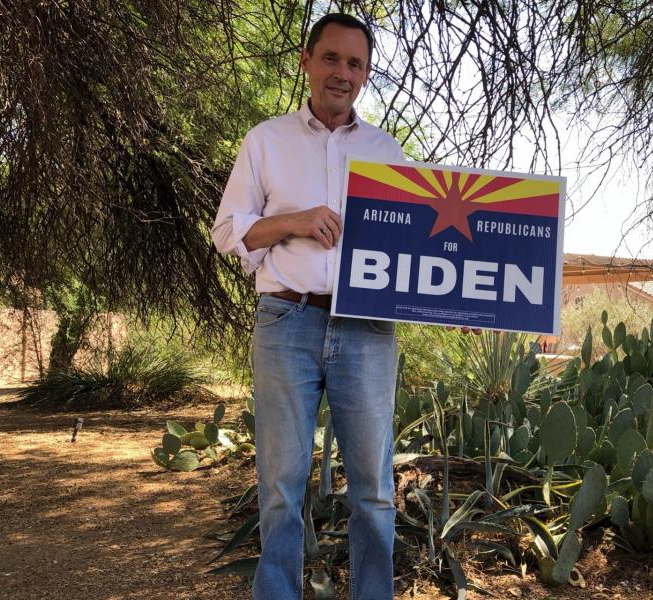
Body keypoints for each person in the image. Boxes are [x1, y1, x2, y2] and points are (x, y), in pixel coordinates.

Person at [211, 13, 404, 600]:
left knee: (372, 486)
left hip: (367, 329)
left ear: (365, 75)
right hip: (286, 321)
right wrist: (295, 221)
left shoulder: (386, 150)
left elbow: (416, 247)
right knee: (280, 484)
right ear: (306, 60)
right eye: (331, 58)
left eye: (354, 63)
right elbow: (226, 232)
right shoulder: (265, 140)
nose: (341, 73)